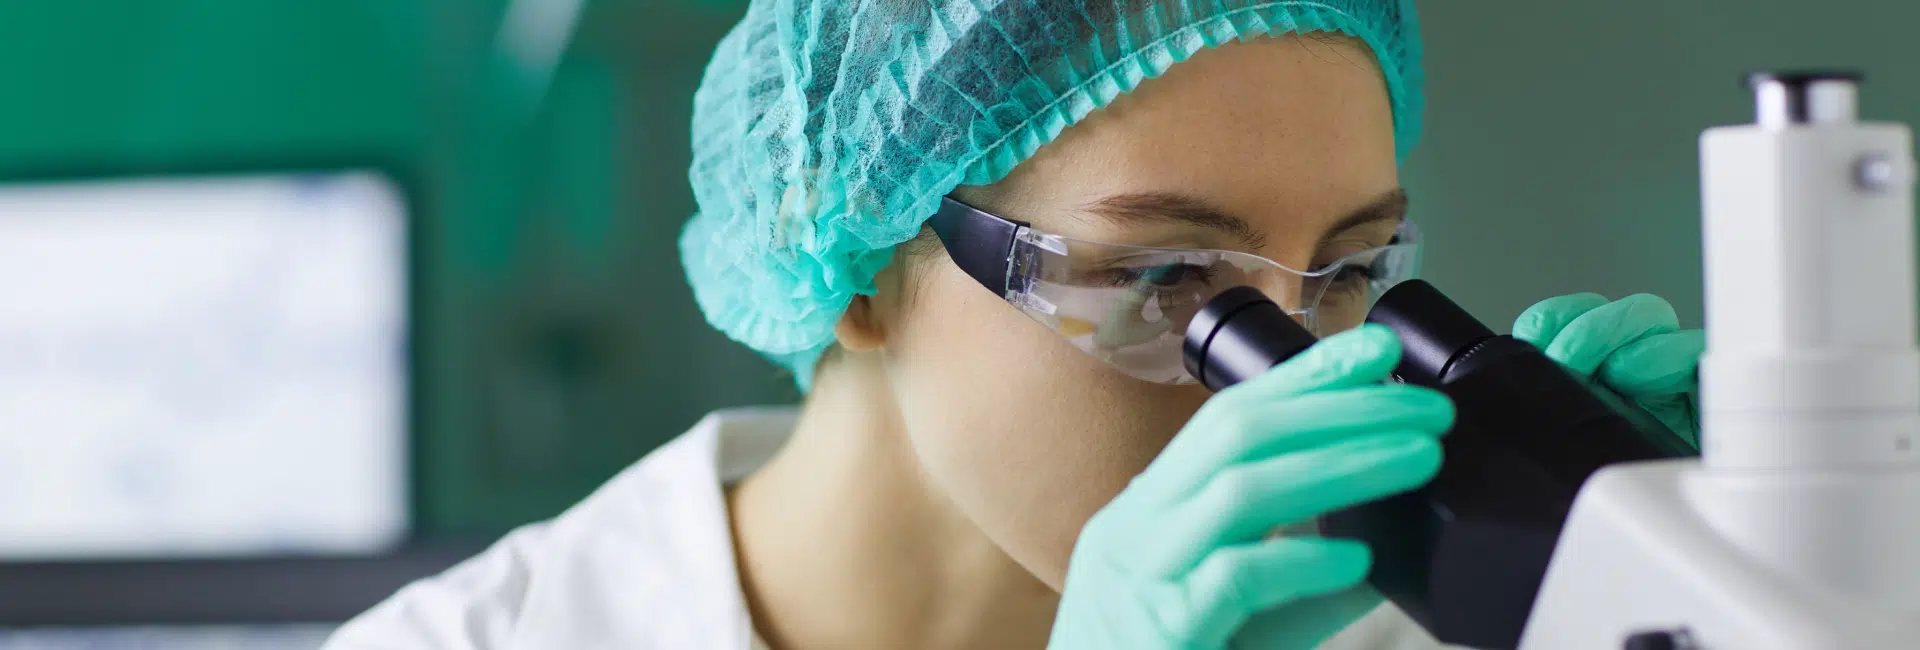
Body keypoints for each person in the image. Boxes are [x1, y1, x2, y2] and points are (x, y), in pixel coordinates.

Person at [323, 2, 1704, 649]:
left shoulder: (1389, 627)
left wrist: (1727, 576)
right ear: (860, 264)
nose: (1287, 378)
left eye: (1348, 272)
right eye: (1167, 276)